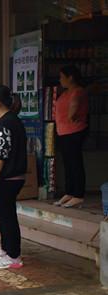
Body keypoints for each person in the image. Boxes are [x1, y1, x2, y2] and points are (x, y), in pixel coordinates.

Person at [0, 85, 27, 269]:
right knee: (2, 214)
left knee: (7, 215)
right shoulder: (12, 120)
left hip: (6, 178)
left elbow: (0, 154)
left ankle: (14, 256)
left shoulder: (4, 124)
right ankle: (5, 248)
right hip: (12, 176)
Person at [53, 66, 89, 208]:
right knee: (68, 163)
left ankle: (78, 194)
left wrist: (71, 116)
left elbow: (73, 109)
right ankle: (69, 192)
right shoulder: (66, 92)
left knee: (75, 163)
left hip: (74, 131)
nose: (60, 80)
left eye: (62, 77)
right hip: (64, 132)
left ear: (71, 78)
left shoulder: (77, 91)